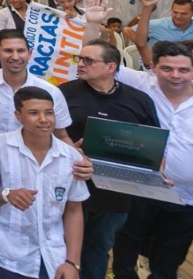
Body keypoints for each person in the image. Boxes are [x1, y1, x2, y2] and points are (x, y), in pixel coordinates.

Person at [110, 41, 193, 279]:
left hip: (188, 198)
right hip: (138, 193)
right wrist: (92, 23)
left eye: (183, 70)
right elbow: (100, 61)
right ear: (153, 67)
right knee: (125, 254)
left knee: (169, 261)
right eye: (167, 69)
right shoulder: (140, 87)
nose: (175, 76)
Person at [58, 39, 160, 279]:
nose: (80, 64)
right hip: (70, 184)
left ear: (111, 67)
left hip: (115, 193)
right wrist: (70, 148)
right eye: (79, 59)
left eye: (88, 60)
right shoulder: (64, 93)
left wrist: (156, 175)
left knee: (98, 247)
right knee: (62, 247)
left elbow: (152, 144)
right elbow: (47, 131)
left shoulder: (139, 100)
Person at [0, 87, 89, 278]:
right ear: (18, 116)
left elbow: (73, 210)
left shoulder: (70, 155)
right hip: (7, 256)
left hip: (53, 256)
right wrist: (7, 195)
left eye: (49, 113)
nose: (44, 119)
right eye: (33, 113)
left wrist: (73, 262)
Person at [0, 29, 74, 143]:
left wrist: (76, 157)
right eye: (8, 51)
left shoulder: (50, 91)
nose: (15, 57)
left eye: (21, 51)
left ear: (29, 54)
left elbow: (61, 136)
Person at [124, 0, 193, 49]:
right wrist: (145, 47)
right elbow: (128, 30)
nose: (178, 16)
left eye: (184, 14)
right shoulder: (157, 24)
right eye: (175, 12)